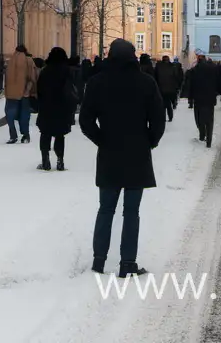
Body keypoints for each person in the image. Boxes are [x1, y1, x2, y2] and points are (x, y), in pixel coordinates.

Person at [79, 39, 166, 277]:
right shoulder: (146, 83)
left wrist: (101, 139)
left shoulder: (97, 83)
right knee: (131, 211)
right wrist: (149, 141)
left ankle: (99, 261)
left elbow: (85, 120)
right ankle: (127, 262)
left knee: (105, 209)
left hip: (109, 153)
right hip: (137, 153)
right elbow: (158, 119)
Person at [36, 47, 77, 171]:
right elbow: (72, 89)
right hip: (62, 107)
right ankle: (60, 161)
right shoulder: (67, 71)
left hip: (47, 107)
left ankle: (45, 160)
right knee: (60, 135)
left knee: (45, 133)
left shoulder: (45, 71)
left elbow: (40, 90)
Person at [3, 44, 38, 144]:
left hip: (11, 94)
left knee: (10, 114)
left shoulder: (11, 61)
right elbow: (32, 78)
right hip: (24, 93)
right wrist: (28, 90)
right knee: (24, 114)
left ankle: (13, 135)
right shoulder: (29, 60)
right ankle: (25, 135)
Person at [189, 51, 218, 148]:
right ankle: (209, 140)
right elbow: (216, 83)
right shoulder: (213, 69)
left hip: (199, 98)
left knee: (199, 118)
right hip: (210, 98)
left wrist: (191, 98)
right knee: (210, 120)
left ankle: (202, 135)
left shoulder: (195, 69)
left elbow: (191, 85)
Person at [155, 55, 178, 122]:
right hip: (170, 89)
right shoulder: (172, 67)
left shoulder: (158, 67)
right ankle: (170, 117)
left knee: (162, 104)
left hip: (161, 89)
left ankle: (163, 117)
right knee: (168, 104)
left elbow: (155, 77)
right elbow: (175, 77)